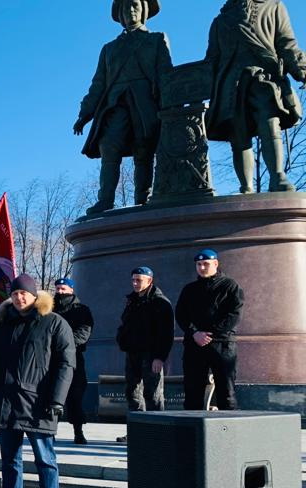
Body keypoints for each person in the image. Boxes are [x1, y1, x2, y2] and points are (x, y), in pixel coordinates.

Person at [0, 274, 75, 488]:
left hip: (38, 404)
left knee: (45, 460)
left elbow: (66, 364)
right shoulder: (3, 325)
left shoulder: (54, 323)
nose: (19, 298)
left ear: (35, 295)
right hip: (7, 403)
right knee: (10, 459)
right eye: (15, 293)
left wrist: (57, 399)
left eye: (24, 293)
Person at [74, 0, 173, 214]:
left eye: (135, 5)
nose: (130, 11)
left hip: (145, 102)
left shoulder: (156, 39)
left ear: (144, 10)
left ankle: (142, 199)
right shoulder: (109, 49)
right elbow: (98, 84)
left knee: (143, 149)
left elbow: (166, 75)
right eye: (126, 7)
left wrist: (168, 106)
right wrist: (84, 114)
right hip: (115, 104)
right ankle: (105, 199)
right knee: (109, 146)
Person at [206, 0, 306, 193]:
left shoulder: (274, 7)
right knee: (238, 134)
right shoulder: (220, 22)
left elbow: (287, 45)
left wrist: (301, 69)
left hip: (263, 79)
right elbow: (211, 61)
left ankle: (277, 176)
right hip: (231, 85)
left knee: (269, 122)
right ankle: (246, 187)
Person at [175, 248, 244, 410]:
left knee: (226, 392)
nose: (202, 268)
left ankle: (228, 432)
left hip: (222, 345)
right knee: (192, 391)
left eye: (206, 264)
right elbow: (181, 314)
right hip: (195, 345)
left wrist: (210, 333)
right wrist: (194, 333)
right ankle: (193, 432)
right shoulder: (189, 289)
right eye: (199, 264)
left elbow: (234, 314)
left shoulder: (230, 286)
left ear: (215, 264)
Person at [117, 266, 175, 415]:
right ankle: (137, 429)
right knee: (132, 393)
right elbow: (125, 324)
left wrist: (159, 357)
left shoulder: (160, 303)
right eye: (133, 280)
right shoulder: (132, 301)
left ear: (149, 281)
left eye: (139, 280)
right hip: (132, 353)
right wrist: (122, 341)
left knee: (153, 394)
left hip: (151, 355)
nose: (135, 283)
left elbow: (166, 333)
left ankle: (156, 432)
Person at [52, 278, 95, 445]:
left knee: (75, 396)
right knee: (51, 396)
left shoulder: (82, 310)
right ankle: (50, 432)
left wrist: (65, 345)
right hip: (51, 359)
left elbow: (84, 332)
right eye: (57, 288)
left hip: (73, 358)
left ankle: (78, 431)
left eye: (63, 288)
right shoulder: (49, 309)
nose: (60, 292)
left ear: (71, 290)